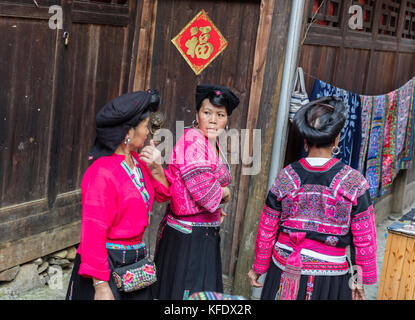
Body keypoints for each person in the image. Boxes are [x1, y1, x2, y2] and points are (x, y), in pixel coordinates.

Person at [248, 96, 377, 300]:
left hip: (282, 269)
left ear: (306, 140)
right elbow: (364, 239)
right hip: (329, 279)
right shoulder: (354, 182)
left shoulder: (286, 176)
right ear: (337, 139)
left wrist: (259, 266)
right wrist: (358, 281)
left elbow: (267, 226)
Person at [66, 90, 171, 300]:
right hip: (107, 267)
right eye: (144, 126)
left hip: (135, 265)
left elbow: (164, 194)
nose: (148, 132)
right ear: (128, 132)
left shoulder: (139, 163)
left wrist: (157, 169)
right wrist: (100, 286)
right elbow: (93, 232)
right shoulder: (101, 173)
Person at [153, 84, 240, 300]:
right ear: (197, 114)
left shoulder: (211, 142)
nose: (213, 120)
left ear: (227, 118)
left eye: (220, 114)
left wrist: (218, 200)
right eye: (207, 112)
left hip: (202, 234)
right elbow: (209, 197)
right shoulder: (193, 142)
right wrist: (225, 194)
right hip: (188, 239)